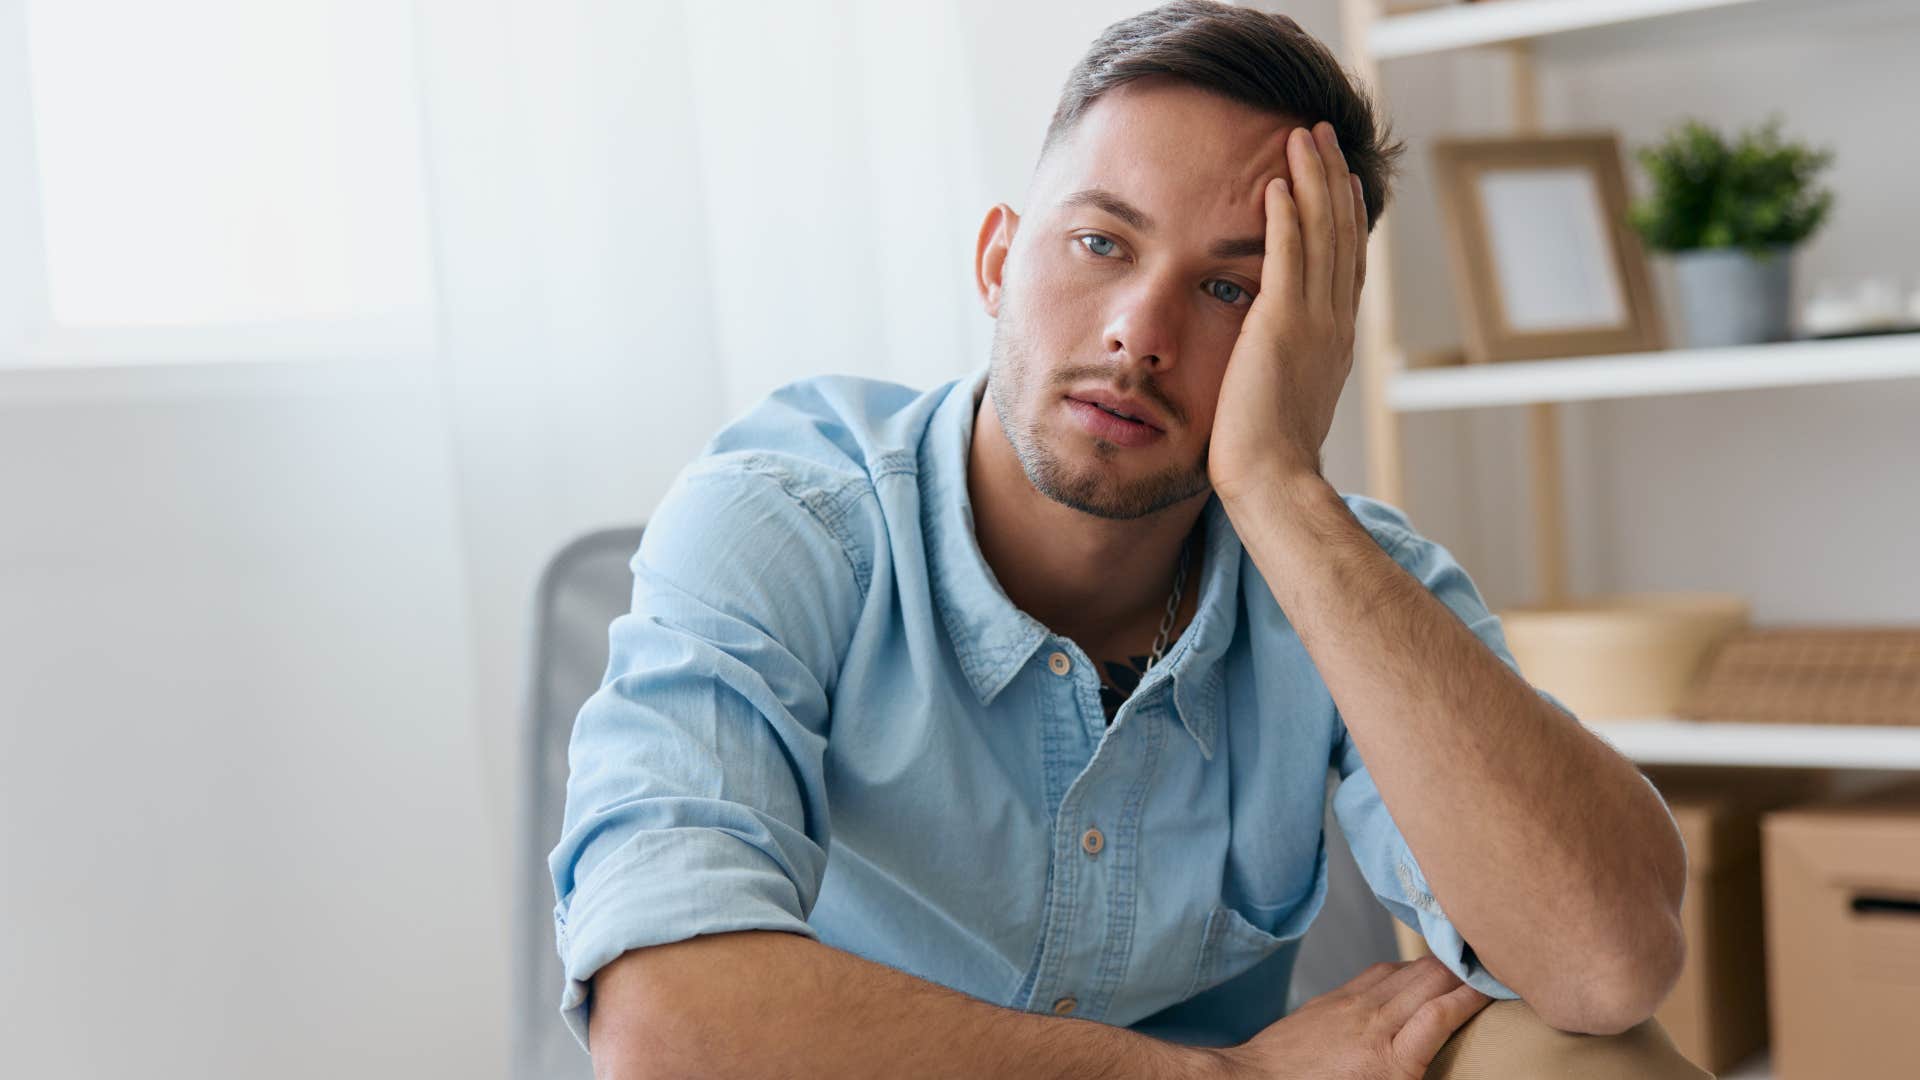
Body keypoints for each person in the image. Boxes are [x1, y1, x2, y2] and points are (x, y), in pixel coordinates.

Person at [550, 2, 1690, 1076]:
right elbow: (664, 1026)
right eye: (1102, 243)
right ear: (1000, 259)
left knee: (1584, 1055)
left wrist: (1281, 487)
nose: (1139, 333)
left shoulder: (1348, 574)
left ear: (1313, 342)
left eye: (1232, 291)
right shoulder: (784, 521)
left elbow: (1606, 963)